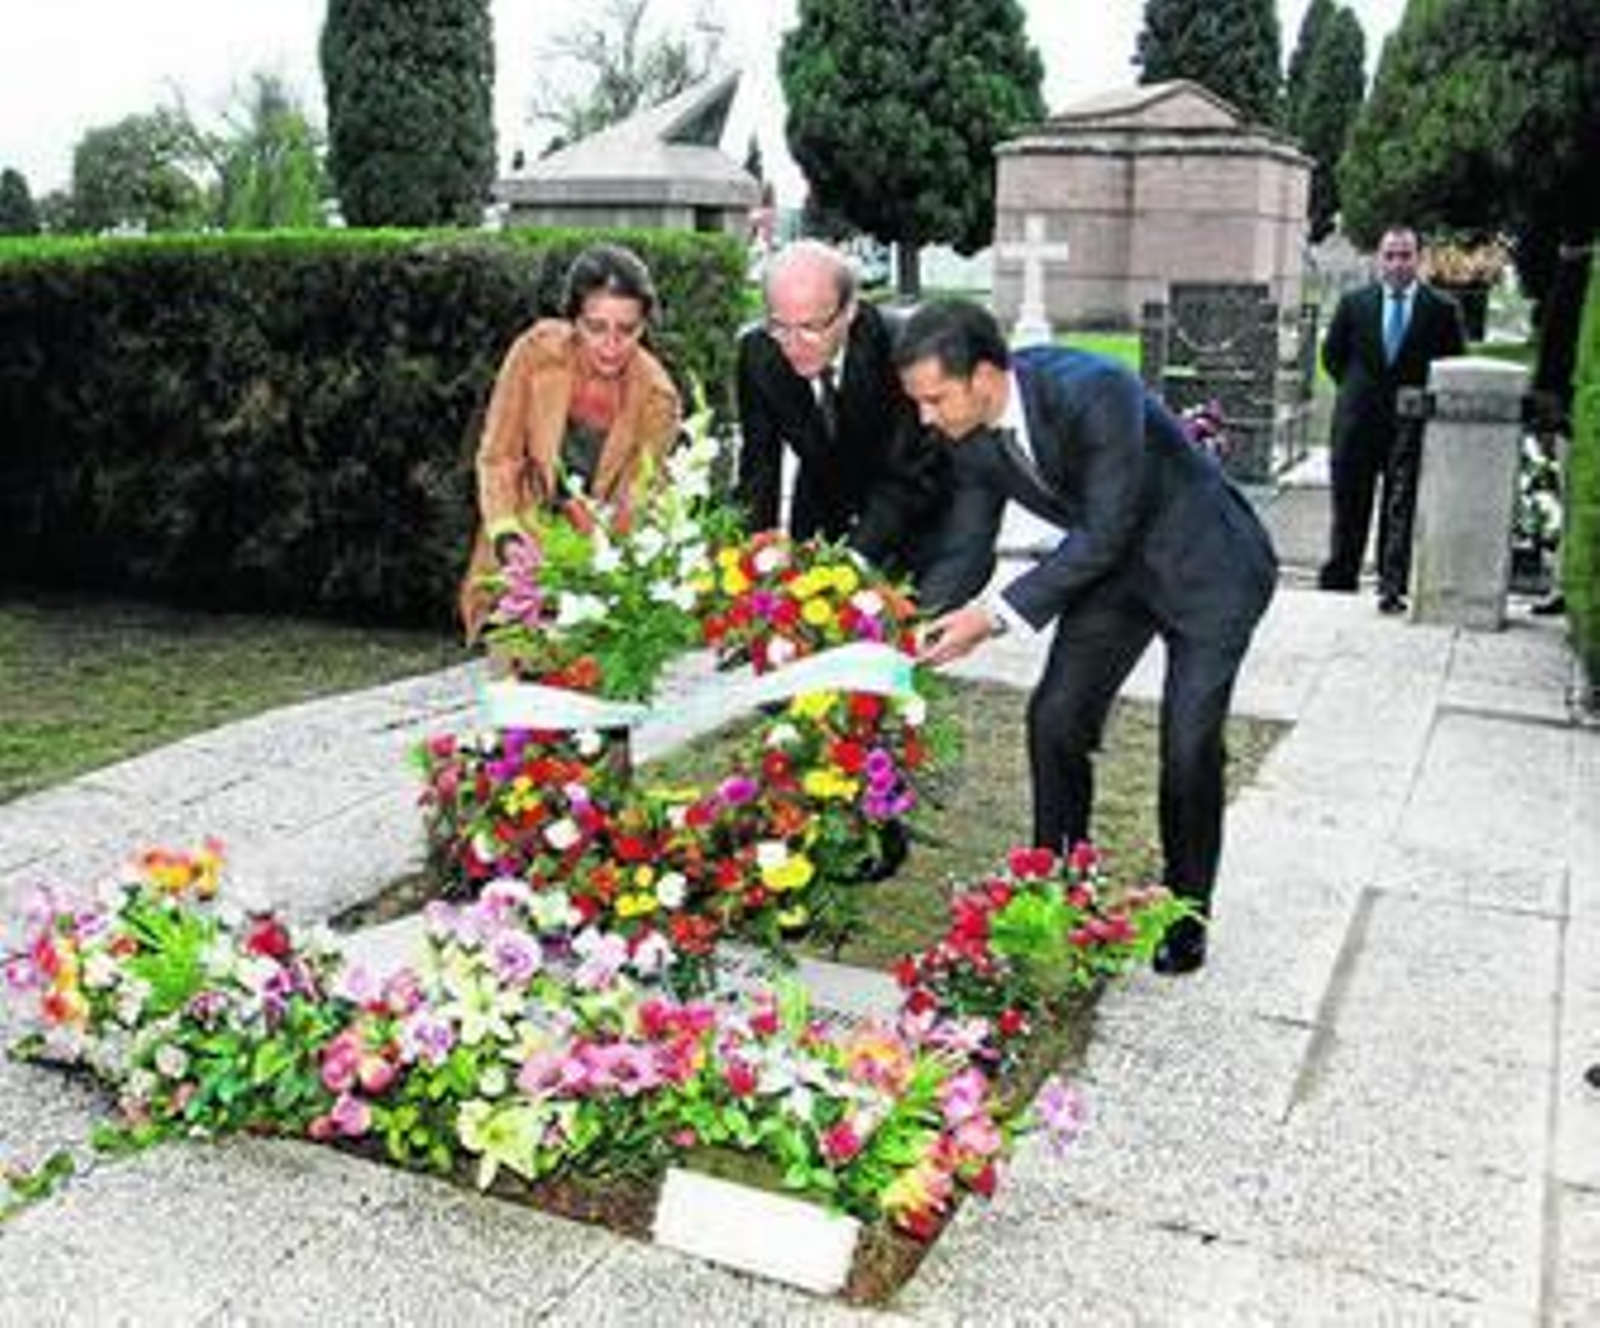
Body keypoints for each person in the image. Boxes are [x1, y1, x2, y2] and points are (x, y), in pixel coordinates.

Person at [897, 300, 1278, 975]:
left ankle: (1187, 914)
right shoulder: (972, 433)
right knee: (1056, 718)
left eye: (935, 399)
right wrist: (911, 619)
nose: (926, 417)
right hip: (1115, 573)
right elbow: (966, 544)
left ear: (984, 375)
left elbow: (1104, 530)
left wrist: (993, 619)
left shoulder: (1094, 390)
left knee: (1188, 743)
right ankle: (1059, 889)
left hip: (1209, 567)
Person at [459, 243, 681, 639]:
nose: (611, 345)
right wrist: (507, 536)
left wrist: (600, 538)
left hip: (596, 573)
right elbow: (499, 456)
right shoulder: (534, 353)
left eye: (627, 330)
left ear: (644, 326)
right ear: (573, 320)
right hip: (516, 555)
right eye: (595, 327)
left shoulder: (658, 398)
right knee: (510, 678)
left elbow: (638, 497)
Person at [734, 239, 947, 580]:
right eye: (779, 326)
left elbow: (904, 476)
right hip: (824, 508)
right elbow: (759, 469)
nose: (792, 346)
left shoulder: (902, 350)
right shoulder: (758, 352)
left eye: (811, 327)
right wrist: (749, 560)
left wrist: (849, 567)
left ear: (849, 311)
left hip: (913, 521)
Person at [1318, 226, 1467, 613]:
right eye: (1390, 255)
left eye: (1405, 255)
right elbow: (1333, 356)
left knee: (1400, 507)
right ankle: (1340, 580)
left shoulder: (1441, 309)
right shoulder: (1354, 304)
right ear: (1379, 259)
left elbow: (1453, 365)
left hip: (1410, 426)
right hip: (1356, 424)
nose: (1398, 263)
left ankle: (1391, 585)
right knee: (1349, 506)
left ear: (1419, 258)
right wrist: (1358, 392)